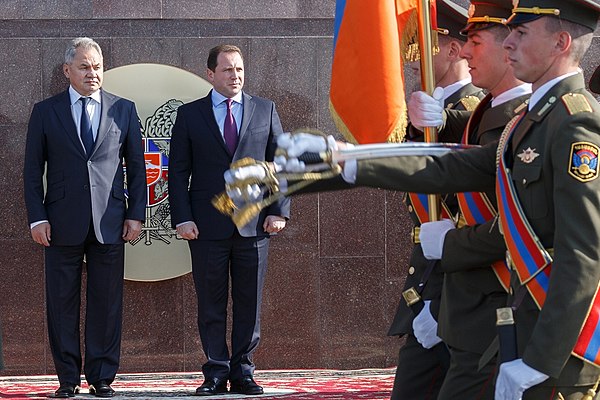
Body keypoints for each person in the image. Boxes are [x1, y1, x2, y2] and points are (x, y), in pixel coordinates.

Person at [263, 0, 600, 397]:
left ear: (560, 42)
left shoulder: (576, 122)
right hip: (522, 324)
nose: (508, 43)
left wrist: (541, 362)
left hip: (556, 349)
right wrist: (343, 160)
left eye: (522, 33)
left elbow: (582, 255)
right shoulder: (532, 121)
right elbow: (447, 168)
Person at [407, 1, 531, 398]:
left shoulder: (536, 121)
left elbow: (521, 224)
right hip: (456, 295)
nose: (464, 51)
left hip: (495, 298)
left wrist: (449, 247)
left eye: (475, 41)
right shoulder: (483, 113)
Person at [23, 37, 146, 398]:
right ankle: (67, 379)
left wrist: (136, 215)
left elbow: (138, 169)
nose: (92, 73)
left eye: (97, 66)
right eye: (84, 66)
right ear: (67, 70)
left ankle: (102, 376)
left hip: (111, 221)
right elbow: (32, 172)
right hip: (60, 223)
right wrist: (36, 218)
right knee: (61, 303)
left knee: (107, 303)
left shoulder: (123, 109)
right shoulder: (46, 111)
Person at [168, 44, 290, 397]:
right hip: (206, 226)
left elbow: (280, 164)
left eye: (239, 70)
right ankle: (215, 371)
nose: (235, 76)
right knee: (211, 303)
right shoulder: (190, 115)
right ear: (210, 74)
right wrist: (182, 218)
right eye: (227, 70)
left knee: (249, 303)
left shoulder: (264, 110)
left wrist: (279, 210)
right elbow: (178, 172)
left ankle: (244, 371)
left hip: (254, 225)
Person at [388, 1, 484, 398]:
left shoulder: (476, 112)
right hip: (428, 279)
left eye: (423, 45)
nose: (413, 58)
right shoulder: (430, 110)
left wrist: (441, 301)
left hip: (460, 283)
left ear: (452, 50)